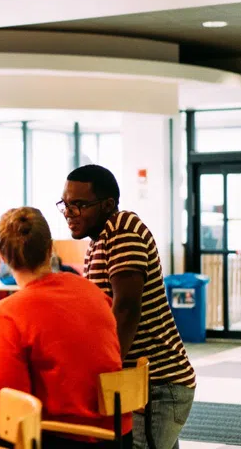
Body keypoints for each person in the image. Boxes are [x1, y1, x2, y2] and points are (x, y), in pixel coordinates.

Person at [0, 207, 131, 448]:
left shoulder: (8, 313)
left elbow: (11, 408)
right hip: (116, 437)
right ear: (50, 248)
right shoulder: (94, 294)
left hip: (60, 437)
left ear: (2, 256)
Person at [60, 165, 195, 449]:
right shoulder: (100, 239)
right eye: (66, 204)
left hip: (155, 383)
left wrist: (102, 370)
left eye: (79, 205)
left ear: (108, 204)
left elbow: (126, 309)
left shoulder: (123, 231)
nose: (70, 213)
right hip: (140, 381)